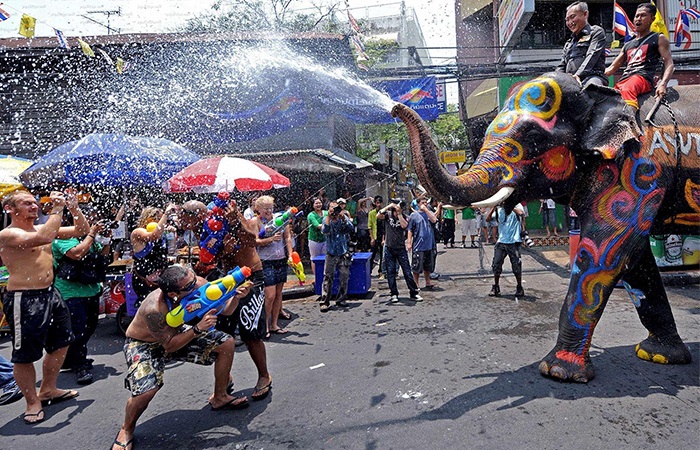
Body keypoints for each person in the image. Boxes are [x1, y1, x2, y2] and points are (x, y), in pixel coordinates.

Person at [111, 264, 253, 450]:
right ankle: (126, 429)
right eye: (189, 286)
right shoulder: (154, 309)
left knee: (225, 343)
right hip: (143, 343)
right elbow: (168, 346)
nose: (196, 286)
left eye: (194, 280)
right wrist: (197, 329)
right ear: (173, 294)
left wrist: (235, 296)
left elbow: (226, 310)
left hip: (178, 334)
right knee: (146, 390)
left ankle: (220, 396)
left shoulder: (198, 283)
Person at [0, 190, 89, 424]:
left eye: (34, 202)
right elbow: (46, 238)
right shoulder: (8, 234)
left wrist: (74, 208)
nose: (34, 206)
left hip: (51, 293)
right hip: (24, 298)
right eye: (26, 203)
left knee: (62, 343)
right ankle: (32, 402)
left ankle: (48, 389)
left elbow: (82, 232)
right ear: (10, 209)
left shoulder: (41, 228)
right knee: (24, 355)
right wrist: (57, 210)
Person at [211, 197, 273, 404]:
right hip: (227, 280)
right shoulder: (212, 225)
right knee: (221, 334)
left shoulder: (238, 218)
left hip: (251, 277)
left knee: (250, 330)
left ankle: (264, 374)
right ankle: (223, 382)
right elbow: (211, 256)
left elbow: (251, 240)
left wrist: (236, 221)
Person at [53, 209, 111, 385]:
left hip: (91, 289)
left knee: (90, 327)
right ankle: (79, 366)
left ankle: (71, 358)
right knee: (78, 330)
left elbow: (103, 255)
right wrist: (92, 234)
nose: (91, 223)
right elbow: (77, 253)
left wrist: (106, 238)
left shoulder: (88, 236)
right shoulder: (61, 238)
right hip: (70, 292)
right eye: (88, 220)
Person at [604, 2, 674, 111]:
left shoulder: (659, 38)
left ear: (652, 18)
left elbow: (669, 63)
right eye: (637, 16)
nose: (638, 19)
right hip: (625, 79)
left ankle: (630, 124)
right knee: (611, 97)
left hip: (642, 78)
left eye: (643, 15)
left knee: (628, 89)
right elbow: (612, 68)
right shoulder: (627, 45)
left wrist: (663, 84)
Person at [254, 195, 293, 337]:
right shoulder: (256, 221)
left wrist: (290, 255)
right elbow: (255, 241)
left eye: (270, 208)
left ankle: (274, 324)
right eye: (265, 208)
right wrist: (270, 239)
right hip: (266, 261)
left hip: (281, 259)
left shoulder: (281, 218)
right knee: (269, 295)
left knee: (278, 294)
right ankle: (264, 326)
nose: (269, 211)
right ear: (258, 209)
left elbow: (287, 237)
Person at [377, 200, 422, 303]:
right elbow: (378, 216)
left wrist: (399, 214)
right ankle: (394, 293)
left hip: (401, 248)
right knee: (390, 272)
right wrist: (389, 206)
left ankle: (413, 293)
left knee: (407, 272)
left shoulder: (405, 216)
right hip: (389, 248)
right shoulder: (387, 215)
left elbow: (404, 226)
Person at [130, 205, 174, 306]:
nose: (161, 222)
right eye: (158, 219)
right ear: (149, 219)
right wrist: (166, 214)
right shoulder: (138, 232)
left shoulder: (161, 232)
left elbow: (170, 249)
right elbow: (154, 236)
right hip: (144, 280)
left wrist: (170, 234)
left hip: (159, 279)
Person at [556, 1, 607, 87]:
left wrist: (578, 75)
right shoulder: (569, 43)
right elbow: (562, 66)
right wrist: (556, 78)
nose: (570, 22)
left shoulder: (596, 32)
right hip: (570, 80)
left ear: (585, 14)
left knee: (592, 88)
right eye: (567, 20)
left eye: (572, 17)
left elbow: (592, 55)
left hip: (592, 77)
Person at [319, 200, 355, 312]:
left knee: (344, 276)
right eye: (332, 207)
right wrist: (329, 217)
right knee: (328, 277)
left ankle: (341, 298)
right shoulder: (326, 219)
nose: (334, 210)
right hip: (331, 252)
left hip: (343, 252)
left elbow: (351, 229)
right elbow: (325, 230)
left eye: (336, 207)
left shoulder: (343, 217)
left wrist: (343, 218)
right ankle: (325, 301)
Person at [487, 203, 526, 298]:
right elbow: (488, 219)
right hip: (501, 242)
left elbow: (521, 213)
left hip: (514, 242)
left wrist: (510, 206)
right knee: (496, 264)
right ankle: (496, 286)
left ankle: (519, 287)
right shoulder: (499, 210)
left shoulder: (517, 206)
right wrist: (494, 207)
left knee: (516, 265)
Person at [407, 197, 438, 290]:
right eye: (422, 203)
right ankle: (416, 283)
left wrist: (426, 210)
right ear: (418, 204)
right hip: (418, 245)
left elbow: (434, 220)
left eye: (425, 203)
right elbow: (410, 230)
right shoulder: (414, 215)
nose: (425, 204)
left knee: (428, 265)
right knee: (417, 266)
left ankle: (427, 282)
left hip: (429, 244)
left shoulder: (429, 213)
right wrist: (409, 243)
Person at [306, 198, 327, 275]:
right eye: (316, 203)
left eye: (320, 203)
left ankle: (324, 275)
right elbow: (317, 225)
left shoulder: (326, 213)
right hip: (314, 240)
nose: (318, 205)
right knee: (314, 258)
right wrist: (328, 225)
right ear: (313, 205)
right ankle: (316, 277)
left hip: (324, 239)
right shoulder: (311, 215)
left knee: (325, 258)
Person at [368, 195, 385, 279]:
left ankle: (381, 271)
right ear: (375, 203)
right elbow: (370, 226)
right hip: (375, 236)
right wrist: (371, 238)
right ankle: (369, 271)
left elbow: (385, 227)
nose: (379, 204)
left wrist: (384, 238)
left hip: (382, 236)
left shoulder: (384, 213)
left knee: (382, 255)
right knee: (372, 254)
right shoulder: (372, 213)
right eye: (377, 203)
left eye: (380, 203)